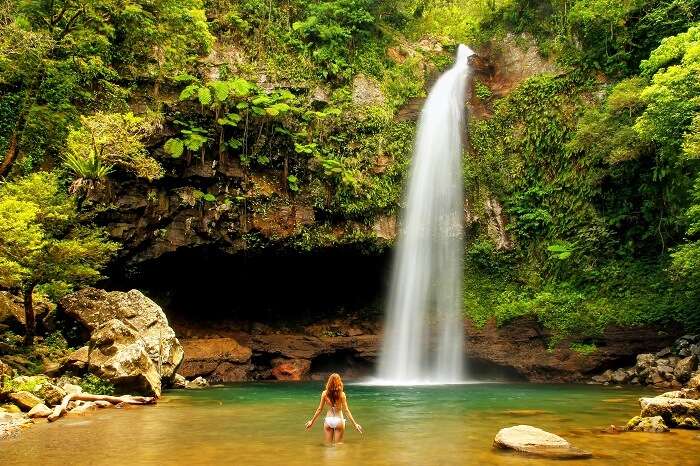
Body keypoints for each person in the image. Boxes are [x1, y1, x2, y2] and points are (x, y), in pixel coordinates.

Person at [305, 373, 363, 444]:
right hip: (339, 421)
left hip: (328, 421)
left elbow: (319, 409)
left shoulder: (324, 393)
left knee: (328, 445)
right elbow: (346, 411)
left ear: (329, 382)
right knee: (338, 445)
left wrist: (312, 421)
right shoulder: (342, 395)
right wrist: (355, 424)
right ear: (339, 382)